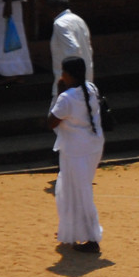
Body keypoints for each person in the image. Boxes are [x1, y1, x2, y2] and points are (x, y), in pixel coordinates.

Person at [46, 56, 104, 253]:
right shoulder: (91, 88)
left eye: (63, 72)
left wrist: (60, 93)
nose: (61, 75)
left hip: (76, 151)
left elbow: (51, 122)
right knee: (77, 189)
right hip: (92, 146)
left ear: (69, 75)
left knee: (79, 193)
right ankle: (71, 231)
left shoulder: (66, 98)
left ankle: (92, 238)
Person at [47, 0, 93, 99]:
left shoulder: (60, 24)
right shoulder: (79, 20)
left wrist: (69, 82)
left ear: (54, 9)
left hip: (69, 86)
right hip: (85, 81)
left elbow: (73, 50)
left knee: (56, 114)